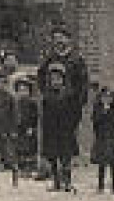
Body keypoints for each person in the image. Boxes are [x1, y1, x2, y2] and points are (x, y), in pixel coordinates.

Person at [40, 62, 80, 193]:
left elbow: (75, 113)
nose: (55, 82)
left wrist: (72, 126)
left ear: (63, 80)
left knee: (65, 157)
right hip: (52, 132)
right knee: (53, 157)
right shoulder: (47, 97)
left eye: (58, 79)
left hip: (65, 131)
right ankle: (56, 182)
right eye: (53, 79)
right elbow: (44, 117)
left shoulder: (70, 95)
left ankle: (67, 182)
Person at [90, 86, 114, 195]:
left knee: (113, 165)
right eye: (105, 97)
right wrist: (103, 113)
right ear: (100, 98)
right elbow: (95, 123)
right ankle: (100, 186)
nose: (107, 99)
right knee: (102, 165)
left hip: (112, 139)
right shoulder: (97, 110)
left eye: (109, 97)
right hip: (102, 139)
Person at [14, 74, 40, 179]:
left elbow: (35, 116)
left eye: (25, 90)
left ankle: (29, 169)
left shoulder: (32, 103)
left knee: (29, 148)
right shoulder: (15, 103)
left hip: (28, 128)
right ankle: (21, 169)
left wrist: (32, 127)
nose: (23, 93)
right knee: (19, 148)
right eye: (20, 90)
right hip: (18, 128)